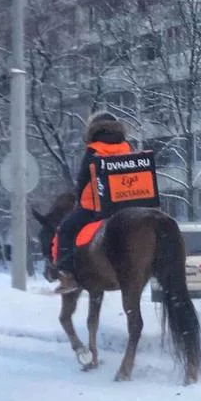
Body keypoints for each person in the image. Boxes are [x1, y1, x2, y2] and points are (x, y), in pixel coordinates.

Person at [53, 112, 132, 294]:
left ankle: (68, 276)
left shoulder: (93, 150)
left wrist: (79, 202)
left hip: (96, 207)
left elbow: (83, 180)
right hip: (126, 204)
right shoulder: (127, 147)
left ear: (93, 130)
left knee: (66, 229)